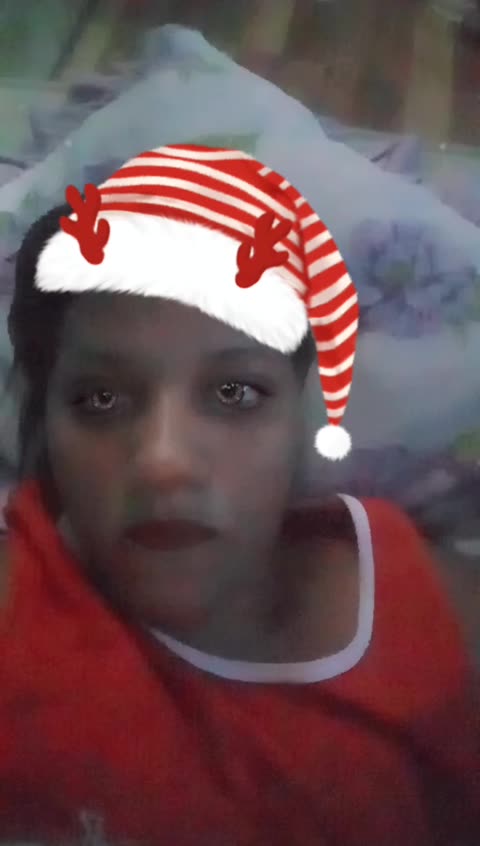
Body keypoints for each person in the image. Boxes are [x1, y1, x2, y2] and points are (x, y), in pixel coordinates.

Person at [0, 144, 478, 846]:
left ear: (300, 414)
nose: (163, 463)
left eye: (235, 393)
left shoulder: (442, 619)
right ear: (45, 418)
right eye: (100, 398)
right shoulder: (15, 611)